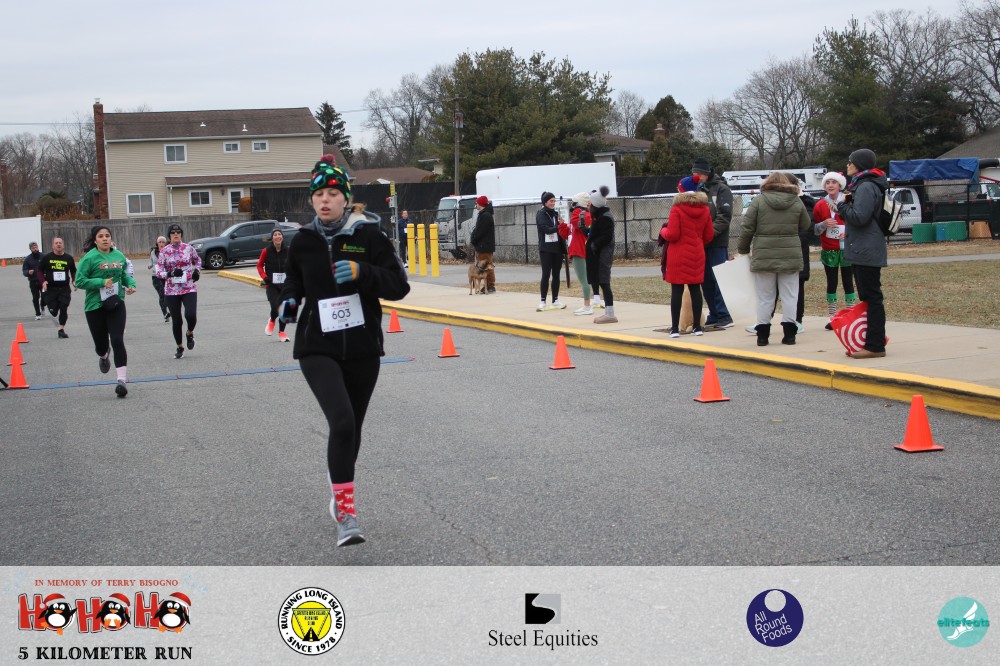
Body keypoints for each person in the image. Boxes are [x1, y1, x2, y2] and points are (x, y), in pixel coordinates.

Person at [278, 154, 410, 547]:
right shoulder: (303, 241)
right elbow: (293, 283)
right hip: (317, 346)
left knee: (353, 429)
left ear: (346, 198)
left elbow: (398, 286)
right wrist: (287, 303)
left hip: (363, 346)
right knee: (341, 422)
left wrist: (361, 272)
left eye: (333, 193)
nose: (325, 199)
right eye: (319, 193)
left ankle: (339, 489)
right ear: (311, 199)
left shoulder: (368, 236)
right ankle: (347, 515)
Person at [737, 172, 811, 346]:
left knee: (765, 297)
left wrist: (743, 249)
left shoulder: (759, 201)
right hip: (790, 254)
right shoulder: (796, 201)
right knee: (790, 296)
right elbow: (805, 224)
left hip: (764, 254)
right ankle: (790, 335)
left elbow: (747, 227)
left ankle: (762, 336)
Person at [74, 225, 137, 398]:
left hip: (116, 303)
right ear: (95, 240)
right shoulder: (89, 258)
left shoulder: (119, 256)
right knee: (101, 345)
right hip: (95, 306)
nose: (104, 239)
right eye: (100, 236)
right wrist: (101, 282)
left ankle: (121, 381)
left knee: (117, 339)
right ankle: (103, 355)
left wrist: (131, 284)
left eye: (107, 235)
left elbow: (123, 275)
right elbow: (79, 281)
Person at [838, 148, 888, 359]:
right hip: (863, 247)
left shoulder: (866, 186)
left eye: (850, 162)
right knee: (868, 297)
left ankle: (875, 345)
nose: (847, 165)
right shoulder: (863, 184)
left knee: (872, 297)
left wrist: (842, 206)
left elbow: (860, 217)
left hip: (867, 249)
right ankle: (869, 341)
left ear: (859, 164)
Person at [662, 190, 715, 337]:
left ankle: (674, 328)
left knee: (676, 291)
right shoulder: (705, 209)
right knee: (696, 289)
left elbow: (672, 234)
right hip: (697, 253)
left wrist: (663, 231)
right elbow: (709, 235)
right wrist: (697, 242)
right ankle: (697, 327)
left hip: (677, 254)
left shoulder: (677, 209)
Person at [692, 158, 735, 329]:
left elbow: (724, 216)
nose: (697, 176)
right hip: (701, 243)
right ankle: (714, 313)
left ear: (707, 173)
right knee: (706, 280)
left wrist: (709, 233)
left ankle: (724, 314)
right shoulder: (698, 189)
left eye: (699, 173)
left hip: (717, 242)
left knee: (719, 280)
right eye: (695, 173)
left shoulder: (722, 189)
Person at [812, 172, 857, 330]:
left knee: (848, 283)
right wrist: (823, 224)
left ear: (840, 185)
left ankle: (851, 317)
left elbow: (857, 221)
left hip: (847, 248)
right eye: (827, 182)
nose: (830, 185)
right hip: (829, 250)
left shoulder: (848, 202)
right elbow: (814, 229)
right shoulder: (820, 205)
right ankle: (833, 318)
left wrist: (849, 233)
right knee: (832, 283)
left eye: (834, 182)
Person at [155, 224, 202, 359]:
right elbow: (158, 271)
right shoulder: (164, 251)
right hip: (171, 290)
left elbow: (198, 260)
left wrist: (197, 271)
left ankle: (189, 333)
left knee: (191, 315)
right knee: (177, 320)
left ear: (181, 234)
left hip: (188, 287)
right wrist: (170, 274)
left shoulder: (188, 248)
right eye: (173, 232)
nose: (176, 234)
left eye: (178, 232)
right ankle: (180, 346)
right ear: (169, 236)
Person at [587, 186, 618, 323]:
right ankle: (608, 313)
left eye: (590, 203)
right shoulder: (600, 216)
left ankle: (610, 314)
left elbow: (607, 236)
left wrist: (594, 244)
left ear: (596, 205)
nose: (588, 205)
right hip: (599, 254)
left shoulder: (605, 218)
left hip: (603, 255)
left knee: (605, 283)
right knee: (602, 282)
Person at [37, 237, 77, 338]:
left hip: (64, 288)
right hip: (51, 288)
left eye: (60, 243)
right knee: (54, 312)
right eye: (56, 243)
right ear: (53, 246)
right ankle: (45, 300)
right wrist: (43, 281)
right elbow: (39, 270)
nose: (58, 244)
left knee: (64, 308)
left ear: (63, 245)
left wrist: (74, 280)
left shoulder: (68, 258)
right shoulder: (47, 258)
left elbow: (73, 270)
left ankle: (61, 330)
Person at [256, 228, 291, 341]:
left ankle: (282, 332)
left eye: (279, 234)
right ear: (272, 238)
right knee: (276, 308)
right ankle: (272, 320)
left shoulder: (288, 251)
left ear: (282, 237)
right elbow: (259, 265)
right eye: (275, 235)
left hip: (285, 285)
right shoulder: (266, 251)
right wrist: (265, 277)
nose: (277, 236)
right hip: (271, 285)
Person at [535, 192, 568, 311]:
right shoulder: (541, 214)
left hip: (557, 248)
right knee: (546, 274)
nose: (553, 203)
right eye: (551, 201)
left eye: (554, 201)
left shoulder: (555, 214)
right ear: (545, 202)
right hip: (546, 248)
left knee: (556, 274)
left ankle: (555, 300)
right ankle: (542, 301)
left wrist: (562, 226)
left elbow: (561, 229)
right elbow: (546, 229)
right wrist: (558, 227)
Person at [567, 192, 593, 315]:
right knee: (586, 279)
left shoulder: (579, 214)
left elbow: (574, 222)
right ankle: (588, 304)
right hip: (586, 248)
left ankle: (587, 306)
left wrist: (576, 210)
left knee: (584, 280)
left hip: (578, 250)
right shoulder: (589, 214)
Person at [470, 196, 496, 293]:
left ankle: (490, 285)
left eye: (477, 203)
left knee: (487, 266)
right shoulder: (483, 214)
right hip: (482, 245)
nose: (476, 204)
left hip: (485, 246)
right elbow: (478, 230)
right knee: (483, 266)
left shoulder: (486, 216)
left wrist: (474, 239)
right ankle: (487, 285)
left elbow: (480, 231)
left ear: (481, 204)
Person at [148, 236, 170, 322]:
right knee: (162, 294)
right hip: (156, 277)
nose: (161, 244)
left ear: (165, 243)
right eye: (159, 242)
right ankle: (165, 313)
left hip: (165, 276)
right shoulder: (153, 252)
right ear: (157, 244)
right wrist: (150, 265)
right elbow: (150, 262)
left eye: (163, 242)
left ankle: (169, 309)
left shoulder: (168, 251)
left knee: (168, 295)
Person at [22, 241, 45, 320]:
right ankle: (38, 314)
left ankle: (42, 305)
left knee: (44, 296)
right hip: (33, 282)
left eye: (36, 247)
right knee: (35, 298)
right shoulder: (28, 259)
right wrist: (28, 272)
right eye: (33, 248)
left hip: (43, 281)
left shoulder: (43, 256)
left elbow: (48, 266)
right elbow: (24, 271)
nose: (35, 249)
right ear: (30, 249)